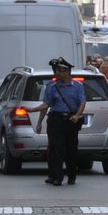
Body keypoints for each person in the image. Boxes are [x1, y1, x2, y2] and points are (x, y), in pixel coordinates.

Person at [36, 57, 87, 186]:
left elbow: (82, 102)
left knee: (71, 149)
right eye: (56, 70)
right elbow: (46, 105)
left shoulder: (77, 86)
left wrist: (77, 115)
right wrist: (38, 121)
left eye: (59, 71)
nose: (56, 73)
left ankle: (71, 176)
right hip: (56, 120)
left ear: (67, 72)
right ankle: (57, 176)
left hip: (71, 120)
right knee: (55, 148)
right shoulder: (52, 87)